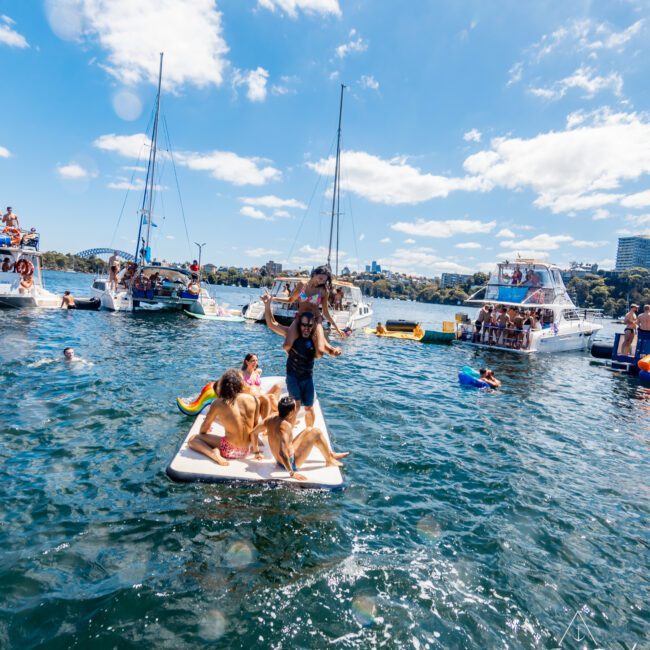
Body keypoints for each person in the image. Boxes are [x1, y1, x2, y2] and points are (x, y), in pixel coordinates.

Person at [261, 293, 339, 428]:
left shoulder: (315, 340)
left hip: (307, 378)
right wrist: (268, 305)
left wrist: (336, 351)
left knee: (309, 408)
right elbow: (272, 324)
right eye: (303, 325)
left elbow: (330, 351)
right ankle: (286, 433)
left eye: (309, 326)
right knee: (295, 405)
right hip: (293, 376)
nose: (306, 328)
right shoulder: (292, 334)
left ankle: (309, 431)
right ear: (299, 324)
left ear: (313, 326)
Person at [251, 396, 349, 481]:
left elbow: (254, 433)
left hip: (279, 460)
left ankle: (330, 455)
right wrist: (292, 473)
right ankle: (329, 460)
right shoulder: (285, 427)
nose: (296, 409)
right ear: (290, 413)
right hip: (290, 463)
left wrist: (256, 452)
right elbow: (282, 452)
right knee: (317, 432)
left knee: (309, 429)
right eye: (295, 408)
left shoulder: (270, 418)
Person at [188, 369, 261, 465]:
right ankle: (218, 452)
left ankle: (213, 454)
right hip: (246, 450)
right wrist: (256, 451)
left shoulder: (218, 403)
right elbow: (255, 429)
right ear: (240, 384)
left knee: (193, 439)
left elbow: (202, 431)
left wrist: (207, 430)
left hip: (228, 450)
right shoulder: (255, 400)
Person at [270, 265, 344, 358]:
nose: (321, 282)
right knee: (286, 346)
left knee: (320, 352)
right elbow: (290, 299)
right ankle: (298, 358)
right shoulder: (302, 285)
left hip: (315, 319)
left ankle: (328, 349)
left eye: (324, 281)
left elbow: (325, 312)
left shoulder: (323, 290)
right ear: (314, 274)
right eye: (320, 278)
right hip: (300, 317)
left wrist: (337, 328)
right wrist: (273, 298)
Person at [241, 352, 282, 418]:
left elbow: (259, 370)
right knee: (271, 397)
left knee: (277, 386)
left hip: (261, 396)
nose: (255, 363)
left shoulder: (257, 372)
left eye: (256, 360)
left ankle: (273, 410)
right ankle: (283, 414)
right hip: (253, 400)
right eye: (253, 361)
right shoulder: (242, 375)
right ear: (247, 362)